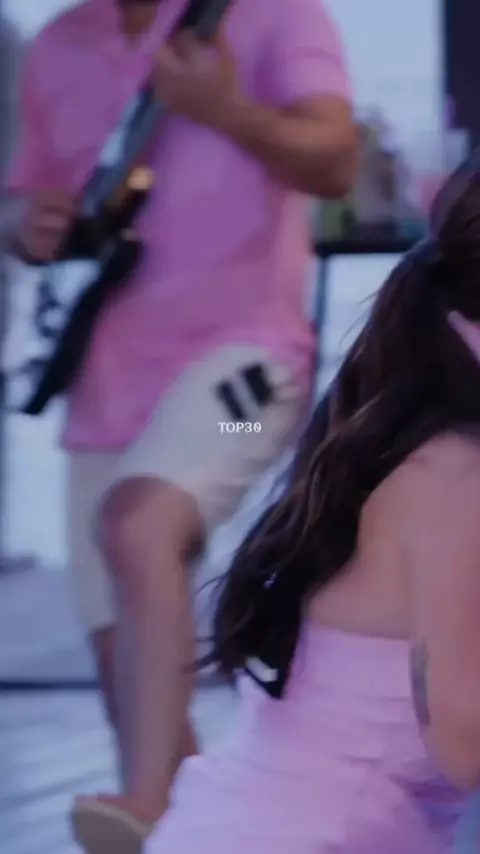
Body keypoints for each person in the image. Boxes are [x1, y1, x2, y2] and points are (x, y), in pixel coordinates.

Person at [3, 0, 356, 851]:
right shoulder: (60, 43)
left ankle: (151, 800)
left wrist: (225, 110)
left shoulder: (273, 15)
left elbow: (338, 161)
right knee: (129, 677)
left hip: (247, 386)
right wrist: (23, 225)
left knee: (140, 523)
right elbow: (23, 201)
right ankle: (181, 818)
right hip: (105, 388)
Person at [144, 151, 480, 853]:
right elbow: (464, 738)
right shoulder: (453, 476)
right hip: (296, 839)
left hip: (245, 827)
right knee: (137, 528)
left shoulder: (401, 430)